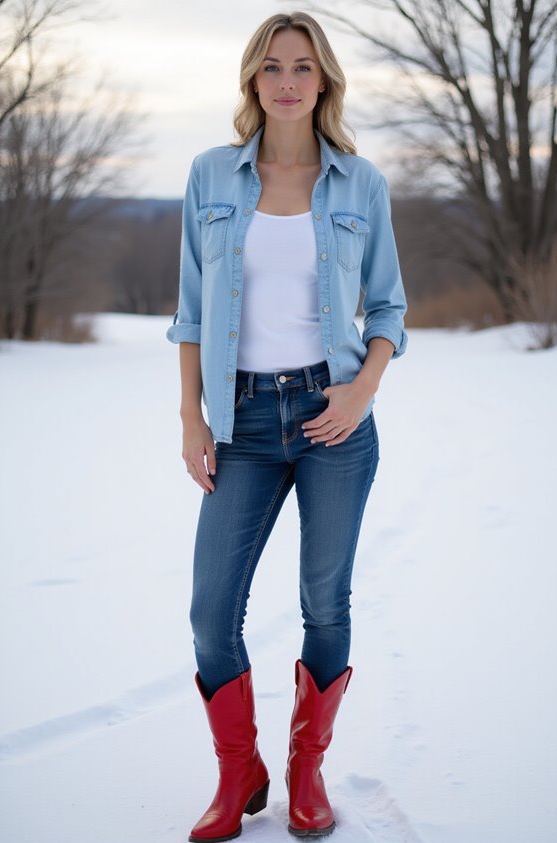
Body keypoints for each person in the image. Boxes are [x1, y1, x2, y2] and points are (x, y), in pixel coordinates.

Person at [166, 11, 407, 841]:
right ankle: (241, 774)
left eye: (303, 66)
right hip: (239, 419)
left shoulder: (359, 183)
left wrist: (361, 392)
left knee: (322, 602)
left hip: (331, 414)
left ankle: (307, 770)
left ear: (324, 81)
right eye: (272, 66)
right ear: (251, 80)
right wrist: (191, 415)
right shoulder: (210, 176)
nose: (287, 81)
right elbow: (192, 309)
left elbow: (387, 307)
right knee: (209, 611)